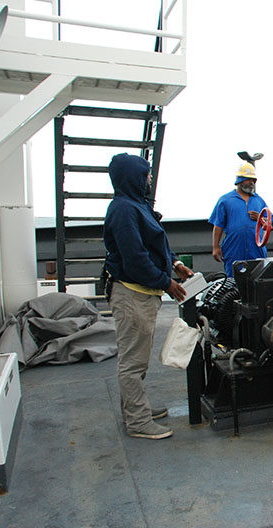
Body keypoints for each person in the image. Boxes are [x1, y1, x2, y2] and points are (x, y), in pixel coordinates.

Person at [103, 153, 194, 440]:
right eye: (146, 175)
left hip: (143, 295)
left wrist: (175, 264)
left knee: (137, 358)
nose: (149, 180)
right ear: (132, 177)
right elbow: (135, 259)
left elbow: (156, 244)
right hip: (132, 296)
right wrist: (166, 283)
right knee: (132, 362)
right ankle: (138, 422)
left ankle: (136, 408)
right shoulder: (123, 210)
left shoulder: (137, 206)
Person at [209, 162, 270, 277]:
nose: (251, 183)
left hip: (256, 248)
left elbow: (268, 224)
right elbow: (218, 225)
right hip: (234, 248)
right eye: (248, 179)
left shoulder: (259, 201)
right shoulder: (225, 200)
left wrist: (260, 218)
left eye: (253, 180)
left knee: (257, 277)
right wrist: (216, 247)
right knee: (234, 279)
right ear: (240, 180)